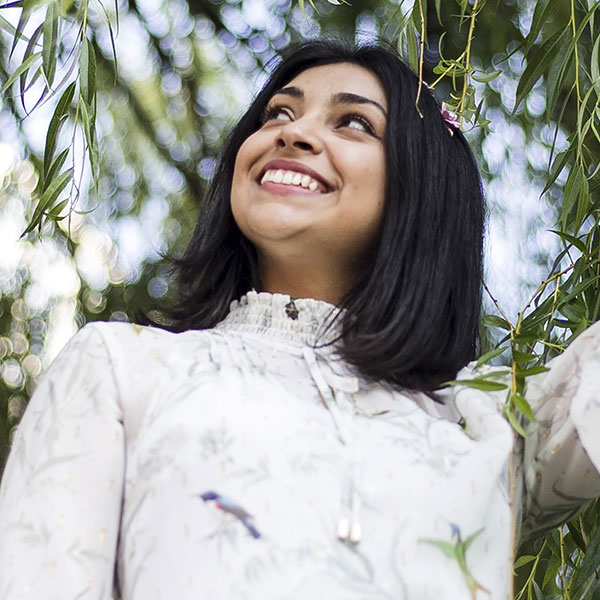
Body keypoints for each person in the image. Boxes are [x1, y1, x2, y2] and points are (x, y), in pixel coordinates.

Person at [0, 39, 599, 600]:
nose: (294, 134)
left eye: (354, 122)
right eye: (278, 114)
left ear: (424, 185)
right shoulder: (123, 367)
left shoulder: (491, 426)